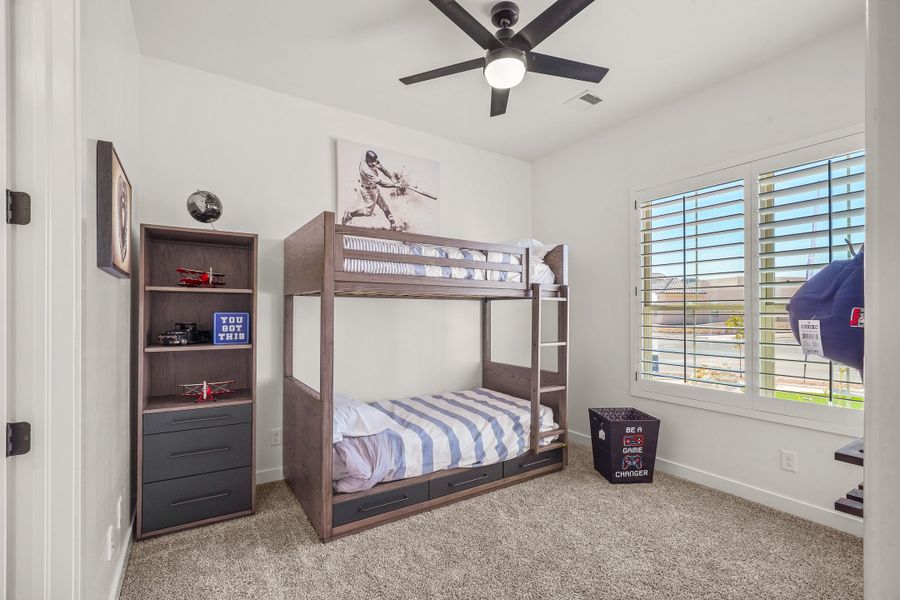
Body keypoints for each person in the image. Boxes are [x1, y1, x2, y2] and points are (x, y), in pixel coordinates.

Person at [342, 150, 401, 229]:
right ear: (368, 160)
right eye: (372, 162)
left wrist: (392, 178)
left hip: (374, 188)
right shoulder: (366, 170)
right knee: (368, 212)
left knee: (385, 207)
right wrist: (395, 186)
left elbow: (381, 168)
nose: (375, 163)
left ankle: (393, 224)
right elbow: (381, 184)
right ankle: (349, 215)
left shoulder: (370, 160)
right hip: (368, 191)